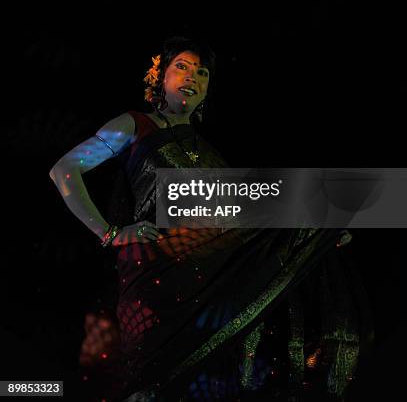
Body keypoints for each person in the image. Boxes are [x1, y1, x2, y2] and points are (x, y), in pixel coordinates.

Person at [49, 36, 370, 401]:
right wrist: (109, 233)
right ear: (159, 77)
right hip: (155, 284)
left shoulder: (212, 156)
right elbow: (64, 170)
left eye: (201, 73)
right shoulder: (134, 125)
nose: (192, 77)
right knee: (151, 388)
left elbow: (246, 221)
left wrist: (317, 229)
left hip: (211, 291)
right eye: (181, 67)